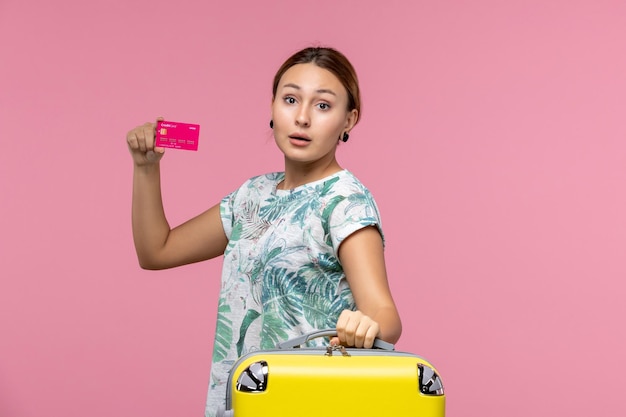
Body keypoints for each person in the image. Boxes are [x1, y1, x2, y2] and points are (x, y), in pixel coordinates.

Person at [126, 46, 402, 416]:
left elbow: (385, 313)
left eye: (322, 106)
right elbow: (157, 251)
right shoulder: (252, 195)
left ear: (349, 120)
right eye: (290, 99)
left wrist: (366, 326)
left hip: (308, 403)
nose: (302, 117)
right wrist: (146, 168)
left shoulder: (345, 203)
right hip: (242, 402)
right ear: (272, 107)